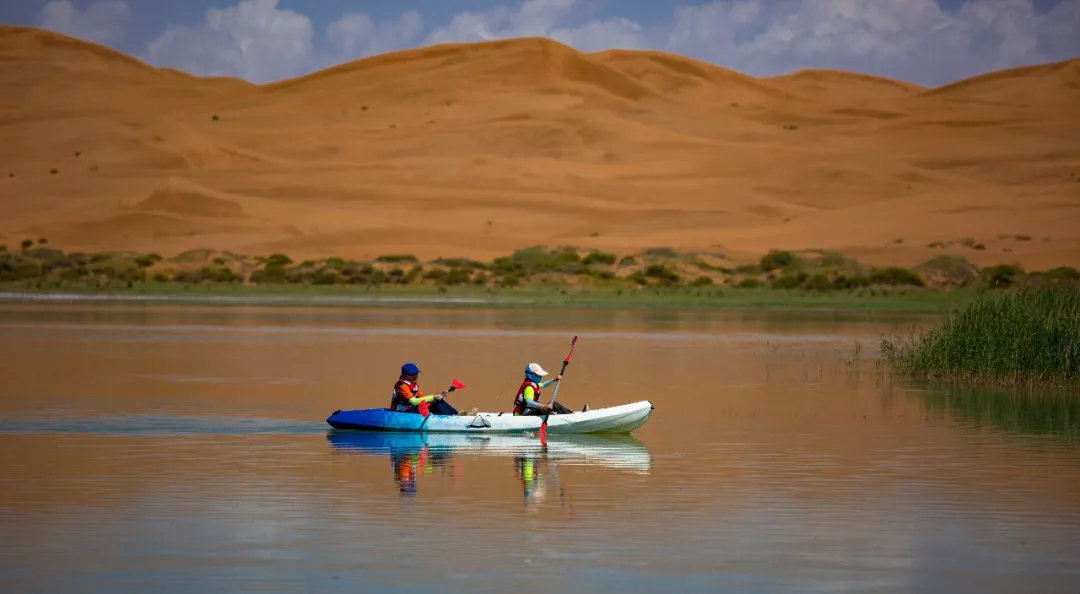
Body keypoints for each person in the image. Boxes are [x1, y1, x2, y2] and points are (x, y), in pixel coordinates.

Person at [391, 362, 458, 415]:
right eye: (412, 375)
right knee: (431, 402)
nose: (415, 376)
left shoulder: (413, 384)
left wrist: (440, 395)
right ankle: (452, 416)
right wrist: (433, 397)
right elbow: (414, 402)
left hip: (411, 409)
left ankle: (455, 414)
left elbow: (423, 398)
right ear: (405, 375)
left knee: (436, 402)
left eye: (416, 374)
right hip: (401, 412)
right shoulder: (402, 386)